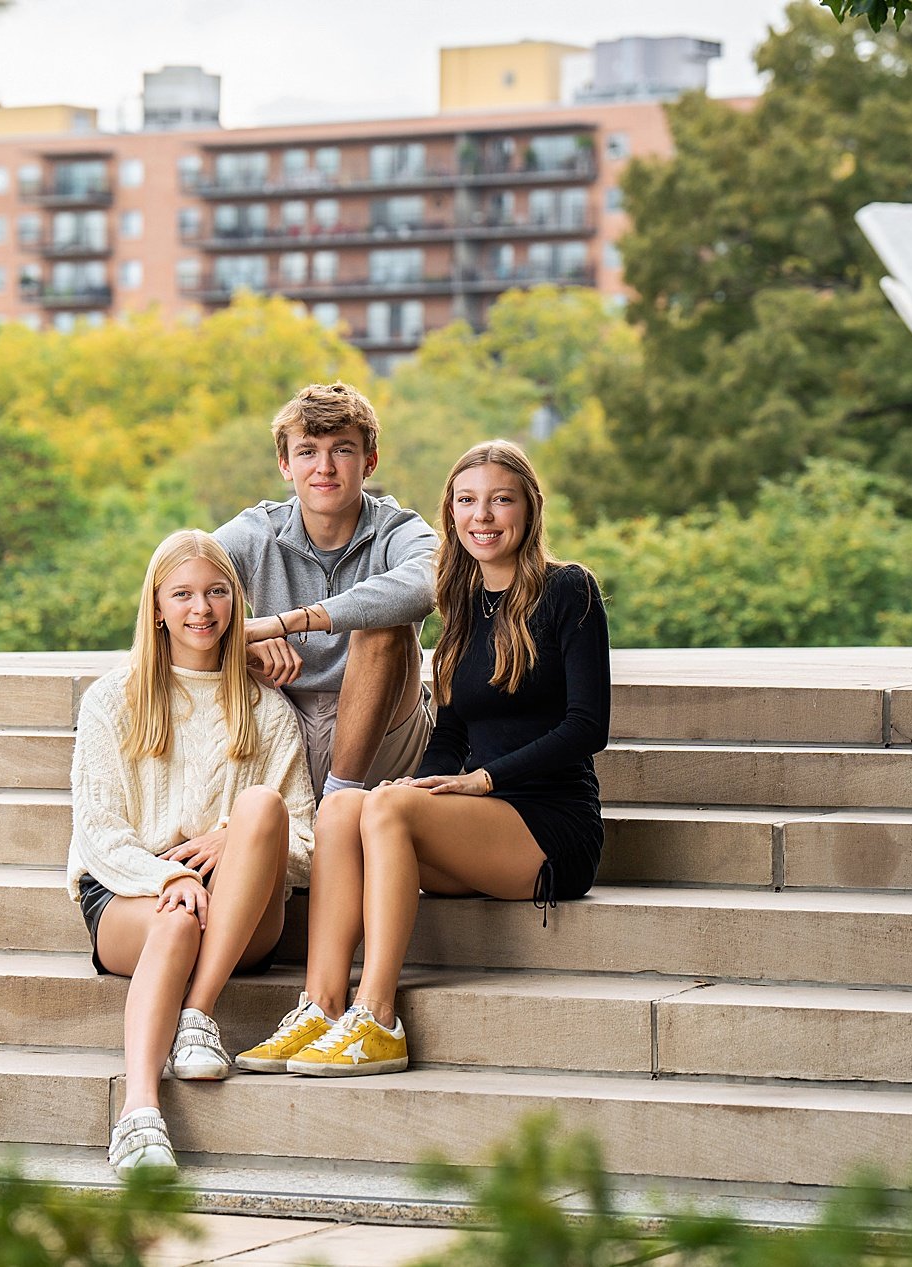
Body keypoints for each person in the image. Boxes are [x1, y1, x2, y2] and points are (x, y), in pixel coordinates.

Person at [238, 440, 610, 1077]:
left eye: (500, 500)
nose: (482, 516)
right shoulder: (463, 608)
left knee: (382, 804)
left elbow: (587, 728)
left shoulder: (568, 589)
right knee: (343, 809)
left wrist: (483, 779)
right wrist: (427, 782)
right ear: (451, 513)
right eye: (467, 501)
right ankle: (321, 1006)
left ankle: (378, 1018)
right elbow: (452, 728)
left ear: (530, 509)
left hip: (547, 826)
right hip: (478, 823)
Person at [67, 530, 314, 1173]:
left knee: (262, 807)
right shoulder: (112, 701)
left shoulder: (267, 709)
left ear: (236, 603)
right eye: (182, 594)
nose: (200, 609)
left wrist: (234, 840)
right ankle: (140, 1116)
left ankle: (198, 1013)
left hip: (242, 912)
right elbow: (98, 832)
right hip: (134, 897)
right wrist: (169, 875)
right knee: (176, 919)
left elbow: (309, 844)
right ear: (156, 607)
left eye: (215, 592)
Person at [215, 382, 439, 803]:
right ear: (285, 464)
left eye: (342, 450)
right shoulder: (258, 530)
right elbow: (175, 593)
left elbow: (429, 584)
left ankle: (338, 799)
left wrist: (289, 621)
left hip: (386, 732)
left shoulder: (399, 527)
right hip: (282, 720)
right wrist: (245, 641)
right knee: (212, 633)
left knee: (383, 627)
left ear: (369, 461)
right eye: (307, 452)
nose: (324, 468)